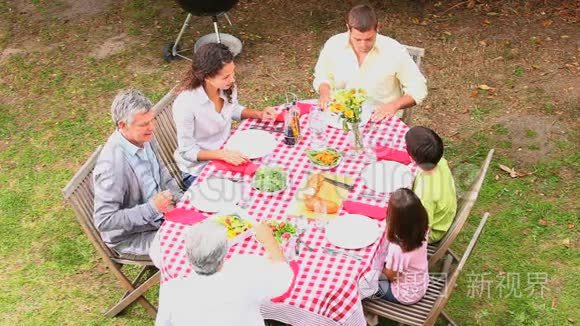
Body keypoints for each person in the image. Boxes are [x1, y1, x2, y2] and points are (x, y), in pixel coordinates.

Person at [173, 43, 277, 188]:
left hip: (226, 154)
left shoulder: (226, 87)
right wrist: (221, 155)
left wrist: (259, 114)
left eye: (233, 72)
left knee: (269, 169)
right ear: (207, 77)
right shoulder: (186, 104)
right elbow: (187, 151)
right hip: (199, 170)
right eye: (226, 76)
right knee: (249, 189)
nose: (232, 79)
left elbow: (232, 110)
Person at [93, 89, 182, 259]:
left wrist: (181, 200)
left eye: (151, 120)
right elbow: (104, 220)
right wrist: (152, 208)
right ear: (122, 125)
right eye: (143, 124)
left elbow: (162, 172)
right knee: (193, 247)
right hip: (134, 236)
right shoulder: (112, 166)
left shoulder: (144, 137)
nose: (152, 128)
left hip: (162, 215)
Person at [156, 220, 293, 326]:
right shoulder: (244, 278)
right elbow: (284, 276)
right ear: (223, 254)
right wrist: (269, 240)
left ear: (188, 255)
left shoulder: (171, 290)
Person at [312, 4, 427, 121]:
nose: (363, 45)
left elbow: (418, 88)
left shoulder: (394, 50)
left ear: (378, 28)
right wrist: (324, 92)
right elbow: (322, 75)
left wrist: (394, 106)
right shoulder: (334, 44)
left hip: (380, 118)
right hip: (341, 114)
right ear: (348, 28)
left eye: (369, 39)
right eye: (357, 39)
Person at [376, 188, 429, 305]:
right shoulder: (422, 229)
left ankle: (369, 315)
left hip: (404, 294)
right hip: (420, 282)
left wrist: (374, 268)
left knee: (362, 284)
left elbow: (389, 276)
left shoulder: (398, 249)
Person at [406, 126, 457, 243]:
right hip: (443, 216)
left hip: (433, 231)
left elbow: (423, 230)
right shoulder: (441, 162)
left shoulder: (424, 196)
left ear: (410, 157)